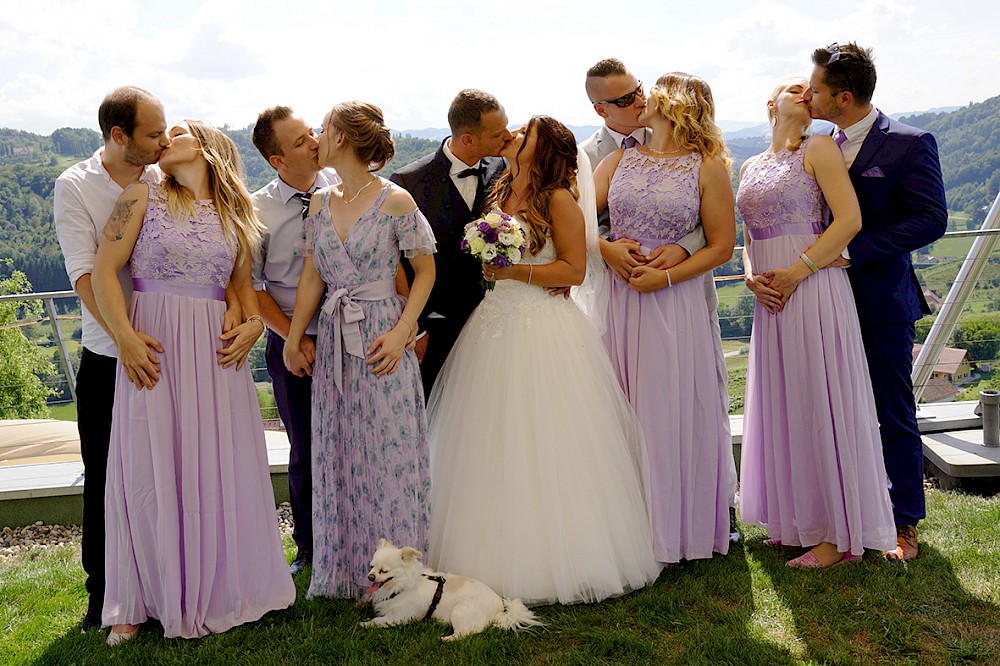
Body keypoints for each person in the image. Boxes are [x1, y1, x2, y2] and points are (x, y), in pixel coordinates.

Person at [427, 115, 661, 605]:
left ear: (545, 148)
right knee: (488, 438)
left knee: (546, 439)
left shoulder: (558, 198)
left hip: (542, 327)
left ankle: (556, 557)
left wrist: (515, 271)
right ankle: (484, 550)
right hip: (493, 323)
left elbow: (573, 269)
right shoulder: (500, 189)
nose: (513, 136)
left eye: (524, 134)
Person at [93, 120, 295, 642]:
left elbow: (245, 293)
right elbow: (102, 271)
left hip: (214, 355)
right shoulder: (141, 196)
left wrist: (251, 325)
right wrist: (126, 340)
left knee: (213, 462)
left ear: (205, 147)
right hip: (152, 345)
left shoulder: (236, 213)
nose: (164, 140)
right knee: (145, 462)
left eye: (176, 131)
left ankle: (221, 583)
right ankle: (136, 601)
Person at [738, 77, 897, 568]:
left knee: (819, 398)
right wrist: (751, 280)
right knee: (786, 403)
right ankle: (795, 521)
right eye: (793, 87)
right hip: (770, 297)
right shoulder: (749, 165)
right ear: (771, 104)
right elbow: (748, 235)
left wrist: (797, 272)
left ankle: (836, 533)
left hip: (811, 287)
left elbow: (848, 220)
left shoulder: (821, 146)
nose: (806, 92)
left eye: (812, 88)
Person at [283, 101, 435, 600]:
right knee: (341, 450)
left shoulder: (396, 200)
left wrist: (402, 333)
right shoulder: (320, 203)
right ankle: (348, 572)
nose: (318, 136)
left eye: (323, 128)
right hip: (333, 342)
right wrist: (293, 335)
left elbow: (425, 271)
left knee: (389, 452)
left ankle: (401, 574)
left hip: (382, 336)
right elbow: (312, 278)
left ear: (342, 138)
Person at [803, 42, 947, 561]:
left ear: (842, 97)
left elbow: (931, 219)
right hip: (816, 297)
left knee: (892, 411)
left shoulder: (910, 143)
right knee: (831, 406)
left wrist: (852, 249)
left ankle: (904, 522)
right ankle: (839, 512)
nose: (806, 92)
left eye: (815, 87)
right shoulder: (813, 139)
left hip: (881, 299)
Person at [584, 60, 738, 540]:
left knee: (670, 404)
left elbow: (721, 246)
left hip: (675, 302)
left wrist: (667, 279)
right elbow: (581, 223)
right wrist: (606, 248)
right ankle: (625, 526)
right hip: (619, 298)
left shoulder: (707, 166)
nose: (643, 97)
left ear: (678, 104)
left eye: (653, 92)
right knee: (622, 402)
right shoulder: (615, 161)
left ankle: (678, 523)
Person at [53, 86, 170, 632]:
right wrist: (123, 338)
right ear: (118, 136)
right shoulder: (75, 186)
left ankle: (168, 587)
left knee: (166, 475)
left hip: (173, 352)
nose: (164, 140)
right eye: (152, 133)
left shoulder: (167, 173)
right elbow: (83, 274)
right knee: (104, 478)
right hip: (107, 355)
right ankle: (103, 597)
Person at [251, 106, 341, 574]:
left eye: (312, 133)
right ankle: (309, 550)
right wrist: (293, 337)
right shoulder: (256, 208)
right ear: (277, 161)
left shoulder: (345, 188)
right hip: (291, 341)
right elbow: (251, 287)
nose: (314, 142)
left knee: (353, 441)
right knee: (305, 447)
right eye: (301, 140)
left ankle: (357, 535)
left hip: (352, 335)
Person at [389, 89, 511, 396]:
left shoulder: (502, 170)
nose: (508, 137)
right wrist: (415, 329)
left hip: (494, 323)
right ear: (468, 139)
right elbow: (393, 263)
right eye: (498, 133)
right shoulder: (407, 183)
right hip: (433, 329)